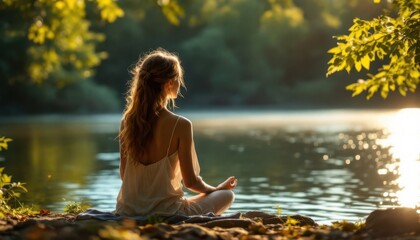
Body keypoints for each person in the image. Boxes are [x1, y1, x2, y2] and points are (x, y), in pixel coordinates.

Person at [115, 48, 237, 216]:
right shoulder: (181, 125)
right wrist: (216, 189)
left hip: (126, 210)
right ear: (169, 83)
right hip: (167, 213)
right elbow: (191, 182)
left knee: (187, 200)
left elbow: (124, 175)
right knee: (226, 195)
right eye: (178, 79)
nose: (180, 84)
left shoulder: (126, 122)